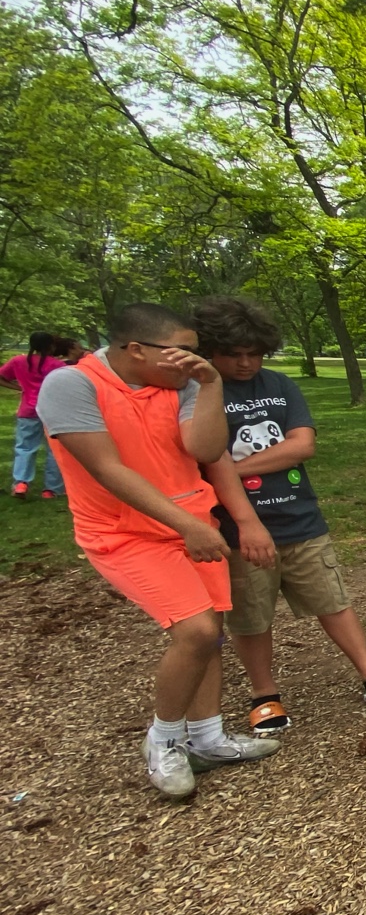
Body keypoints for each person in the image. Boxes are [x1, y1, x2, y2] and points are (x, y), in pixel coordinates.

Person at [35, 302, 279, 797]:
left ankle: (207, 737)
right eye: (184, 352)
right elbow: (108, 470)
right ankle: (164, 740)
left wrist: (210, 386)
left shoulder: (188, 384)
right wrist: (185, 525)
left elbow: (207, 452)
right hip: (124, 533)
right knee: (196, 629)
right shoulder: (70, 386)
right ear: (137, 350)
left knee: (210, 632)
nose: (196, 360)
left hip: (193, 523)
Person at [193, 297, 366, 735]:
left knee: (332, 601)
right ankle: (264, 695)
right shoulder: (200, 396)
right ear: (211, 351)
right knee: (252, 615)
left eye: (253, 353)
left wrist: (228, 470)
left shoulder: (279, 385)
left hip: (300, 518)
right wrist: (229, 474)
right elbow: (201, 454)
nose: (244, 363)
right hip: (236, 530)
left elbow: (301, 445)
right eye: (233, 354)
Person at [2, 331, 66, 499]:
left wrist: (19, 388)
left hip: (27, 410)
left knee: (24, 447)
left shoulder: (18, 361)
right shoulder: (57, 365)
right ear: (51, 345)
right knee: (54, 450)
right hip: (51, 410)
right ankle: (51, 489)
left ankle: (21, 483)